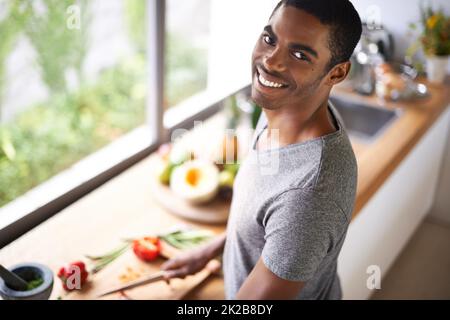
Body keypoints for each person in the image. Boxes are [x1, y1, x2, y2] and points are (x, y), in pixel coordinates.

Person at [161, 0, 362, 300]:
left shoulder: (308, 197)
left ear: (336, 73)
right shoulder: (285, 108)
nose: (271, 61)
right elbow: (268, 225)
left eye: (299, 54)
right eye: (270, 39)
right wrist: (213, 250)